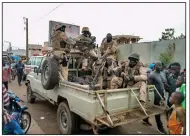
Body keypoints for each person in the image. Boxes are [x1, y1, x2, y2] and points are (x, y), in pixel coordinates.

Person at [143, 61, 167, 134]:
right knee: (157, 111)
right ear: (155, 66)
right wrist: (151, 97)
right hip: (155, 96)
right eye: (158, 65)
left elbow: (163, 83)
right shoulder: (151, 75)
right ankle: (160, 127)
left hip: (161, 94)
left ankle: (145, 119)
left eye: (160, 65)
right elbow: (149, 87)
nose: (159, 67)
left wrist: (163, 93)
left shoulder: (162, 73)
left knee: (152, 109)